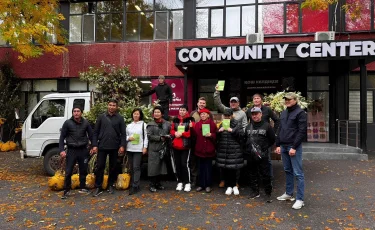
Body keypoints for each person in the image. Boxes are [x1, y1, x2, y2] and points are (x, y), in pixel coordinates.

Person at [275, 92, 307, 210]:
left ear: (295, 100)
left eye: (289, 99)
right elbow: (280, 129)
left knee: (298, 173)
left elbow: (302, 131)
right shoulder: (283, 113)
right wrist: (278, 144)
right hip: (283, 146)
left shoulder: (300, 113)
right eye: (286, 99)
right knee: (287, 170)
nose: (287, 101)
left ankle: (300, 199)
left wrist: (294, 146)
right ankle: (289, 194)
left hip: (293, 147)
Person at [214, 85, 247, 188]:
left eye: (235, 102)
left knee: (235, 164)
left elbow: (245, 126)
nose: (233, 103)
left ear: (238, 103)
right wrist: (217, 91)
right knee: (223, 163)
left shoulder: (242, 113)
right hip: (224, 141)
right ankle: (223, 180)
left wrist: (240, 135)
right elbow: (218, 103)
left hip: (235, 141)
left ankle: (235, 182)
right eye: (231, 102)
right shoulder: (226, 110)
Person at [92, 99, 126, 197]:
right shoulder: (101, 117)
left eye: (114, 105)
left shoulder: (120, 118)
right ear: (107, 106)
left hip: (114, 146)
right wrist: (94, 145)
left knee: (113, 167)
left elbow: (123, 134)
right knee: (100, 166)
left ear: (116, 107)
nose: (111, 107)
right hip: (102, 145)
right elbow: (95, 132)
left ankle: (110, 185)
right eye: (110, 105)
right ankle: (98, 186)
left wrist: (122, 145)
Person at [59, 105, 93, 199]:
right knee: (69, 171)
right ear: (72, 113)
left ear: (81, 112)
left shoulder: (86, 123)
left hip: (83, 150)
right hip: (72, 150)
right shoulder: (67, 123)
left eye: (78, 111)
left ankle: (83, 187)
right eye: (74, 111)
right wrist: (61, 150)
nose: (76, 113)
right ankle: (66, 190)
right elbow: (62, 137)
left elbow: (91, 135)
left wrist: (94, 146)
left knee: (83, 170)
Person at [244, 107, 275, 203]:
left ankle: (268, 193)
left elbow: (272, 139)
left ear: (261, 114)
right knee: (252, 174)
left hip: (263, 155)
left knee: (265, 174)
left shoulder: (267, 126)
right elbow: (245, 139)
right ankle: (255, 191)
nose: (255, 116)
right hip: (251, 155)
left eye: (256, 113)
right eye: (253, 114)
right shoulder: (248, 127)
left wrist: (264, 148)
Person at [246, 93, 280, 180]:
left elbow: (277, 120)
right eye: (254, 99)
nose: (256, 100)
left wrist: (274, 132)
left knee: (267, 159)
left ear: (261, 100)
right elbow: (245, 122)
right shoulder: (249, 110)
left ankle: (269, 178)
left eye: (258, 98)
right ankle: (257, 179)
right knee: (254, 159)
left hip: (265, 138)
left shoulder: (267, 110)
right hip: (253, 138)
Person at [216, 109, 244, 196]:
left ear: (232, 115)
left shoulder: (237, 123)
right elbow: (216, 136)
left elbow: (242, 135)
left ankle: (235, 185)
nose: (227, 117)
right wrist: (218, 132)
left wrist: (232, 130)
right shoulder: (221, 123)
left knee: (234, 168)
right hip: (224, 150)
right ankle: (228, 185)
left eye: (228, 115)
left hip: (234, 150)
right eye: (225, 116)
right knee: (226, 168)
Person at [190, 108, 217, 193]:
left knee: (208, 168)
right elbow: (194, 136)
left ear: (208, 115)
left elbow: (216, 135)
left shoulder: (212, 124)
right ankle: (201, 185)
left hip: (209, 150)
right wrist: (191, 128)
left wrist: (211, 135)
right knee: (200, 168)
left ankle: (208, 185)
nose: (203, 115)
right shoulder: (197, 124)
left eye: (204, 114)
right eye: (201, 114)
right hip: (200, 150)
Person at [147, 106, 171, 192]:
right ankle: (152, 184)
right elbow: (149, 136)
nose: (156, 114)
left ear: (162, 114)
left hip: (163, 149)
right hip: (153, 149)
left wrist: (168, 136)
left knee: (161, 167)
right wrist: (160, 138)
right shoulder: (150, 124)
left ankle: (158, 183)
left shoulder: (167, 124)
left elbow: (170, 133)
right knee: (153, 167)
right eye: (155, 112)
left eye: (158, 112)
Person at [170, 104, 195, 192]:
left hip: (185, 146)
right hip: (175, 145)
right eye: (180, 110)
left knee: (184, 165)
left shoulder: (190, 120)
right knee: (177, 164)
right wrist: (175, 133)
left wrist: (182, 134)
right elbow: (172, 130)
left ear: (187, 111)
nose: (182, 111)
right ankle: (179, 182)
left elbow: (191, 132)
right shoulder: (175, 119)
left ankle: (187, 183)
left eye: (184, 110)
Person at [189, 97, 213, 187]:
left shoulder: (209, 114)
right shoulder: (192, 113)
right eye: (200, 103)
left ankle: (205, 182)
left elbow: (212, 127)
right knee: (194, 162)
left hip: (206, 141)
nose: (202, 104)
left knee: (204, 163)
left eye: (203, 103)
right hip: (195, 140)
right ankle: (195, 180)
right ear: (197, 103)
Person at [126, 108, 148, 195]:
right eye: (134, 113)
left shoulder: (144, 125)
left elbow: (146, 137)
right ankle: (133, 183)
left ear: (140, 115)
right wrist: (128, 138)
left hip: (138, 149)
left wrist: (145, 147)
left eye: (137, 114)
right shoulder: (129, 125)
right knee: (131, 168)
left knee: (136, 167)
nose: (136, 115)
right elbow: (124, 136)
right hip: (129, 148)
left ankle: (135, 185)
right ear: (132, 115)